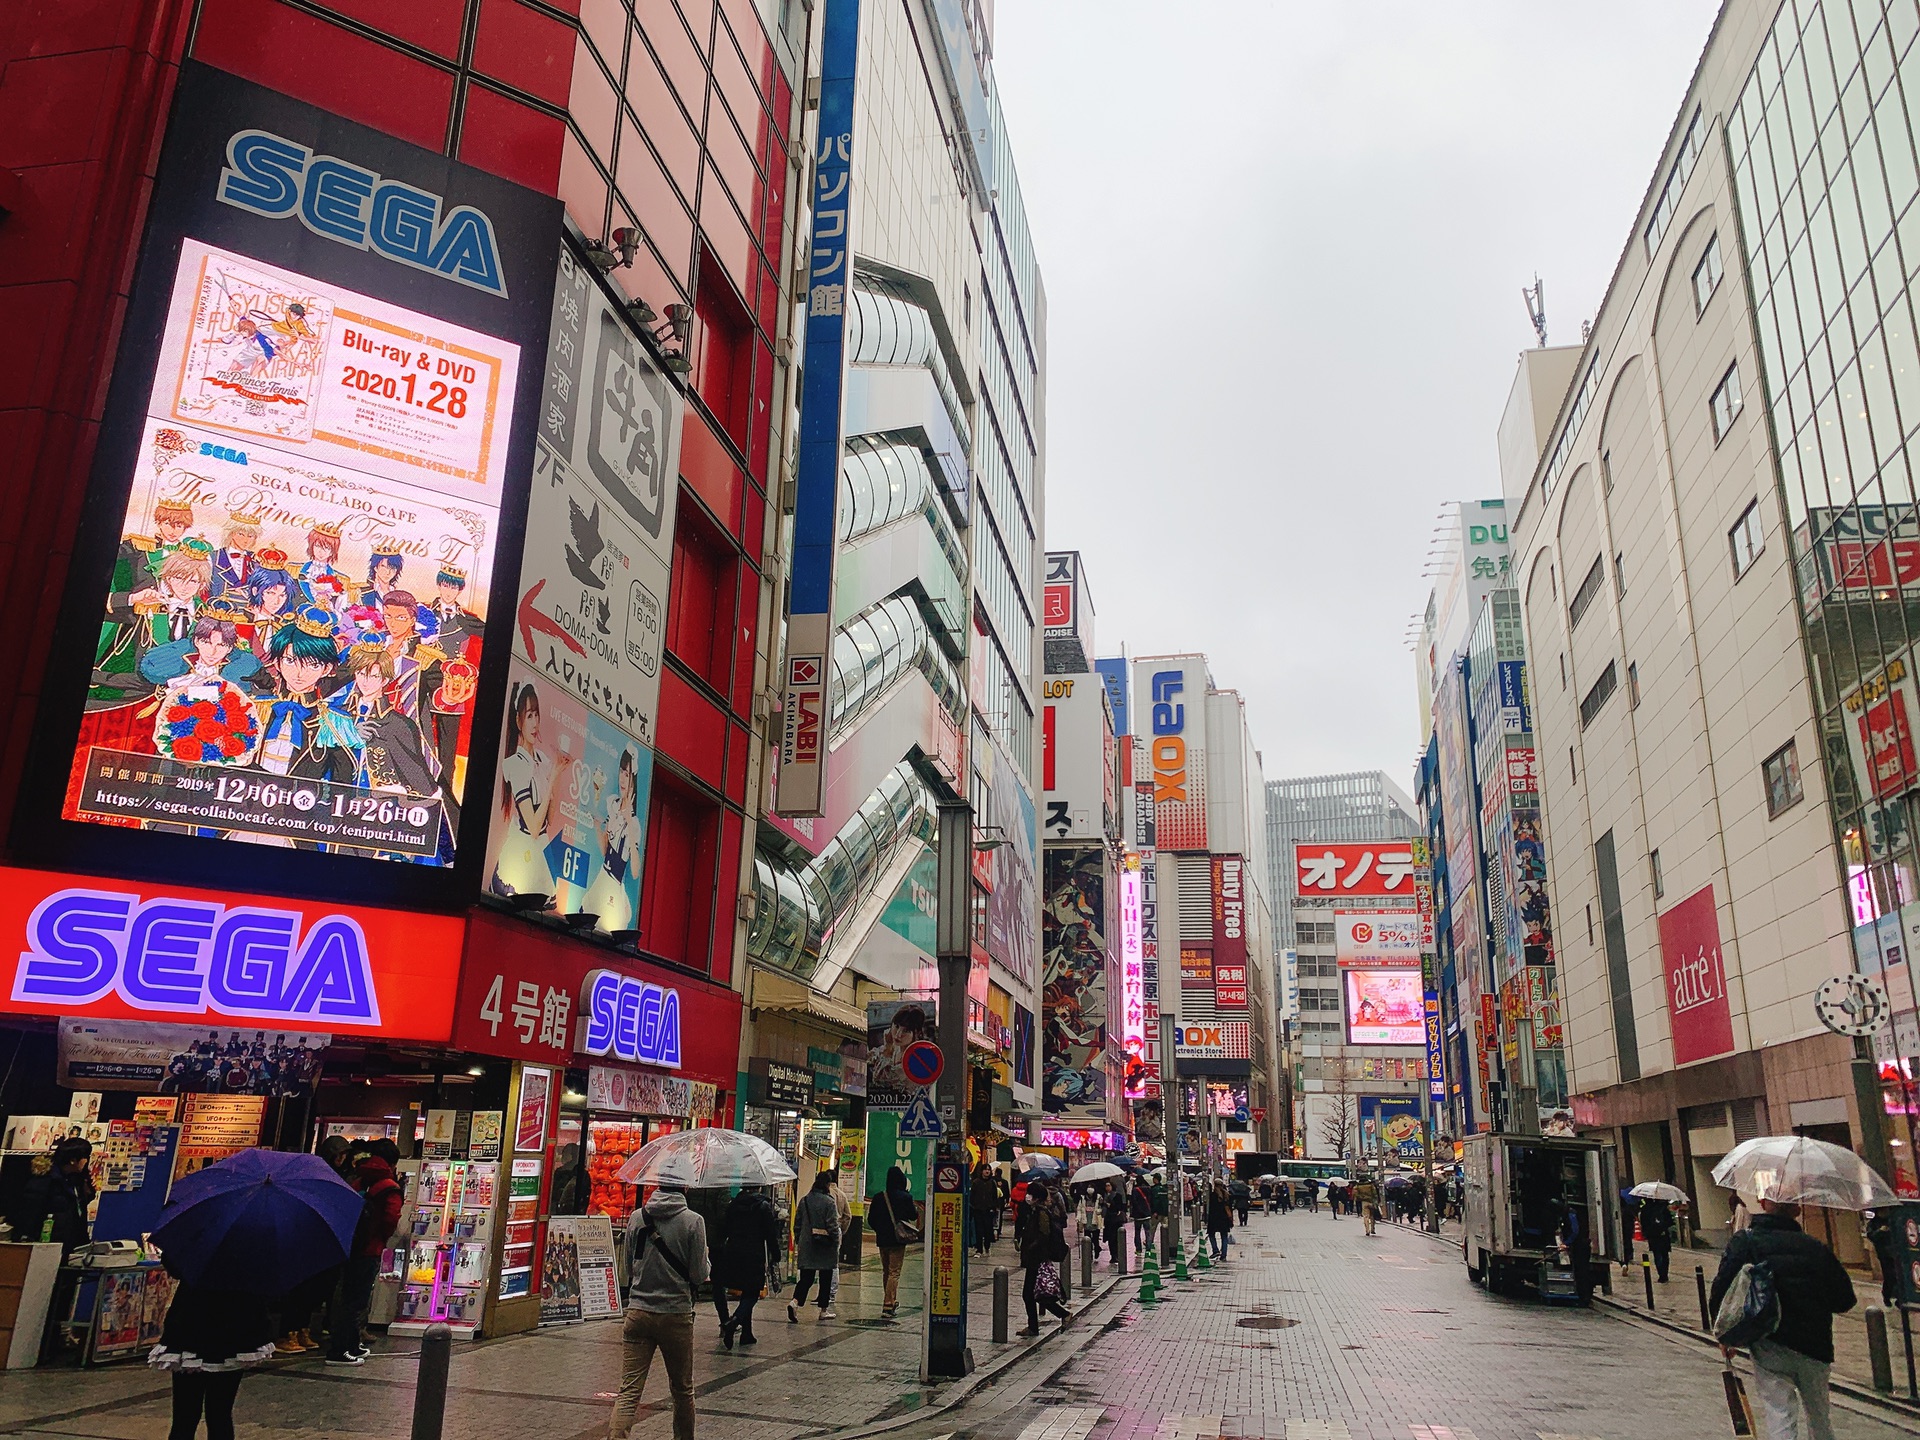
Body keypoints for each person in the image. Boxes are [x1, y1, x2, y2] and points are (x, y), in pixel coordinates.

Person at [1710, 1197, 1856, 1440]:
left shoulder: (1746, 1242)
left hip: (1769, 1339)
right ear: (1796, 1211)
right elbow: (1845, 1300)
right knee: (1819, 1414)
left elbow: (1722, 1285)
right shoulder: (1815, 1248)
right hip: (1814, 1344)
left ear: (1764, 1204)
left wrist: (1725, 1334)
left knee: (1779, 1412)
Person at [611, 1184, 709, 1440]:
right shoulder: (693, 1222)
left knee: (629, 1391)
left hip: (638, 1312)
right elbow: (699, 1274)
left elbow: (629, 1268)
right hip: (675, 1315)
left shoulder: (637, 1217)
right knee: (682, 1390)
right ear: (685, 1187)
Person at [149, 1267, 274, 1440]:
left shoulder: (196, 1244)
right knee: (220, 1413)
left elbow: (175, 1266)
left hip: (192, 1326)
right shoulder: (250, 1247)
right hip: (236, 1328)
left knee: (185, 1415)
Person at [326, 1147, 403, 1365]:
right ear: (392, 1163)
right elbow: (391, 1218)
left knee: (347, 1297)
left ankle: (349, 1344)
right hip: (370, 1248)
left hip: (351, 1245)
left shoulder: (359, 1180)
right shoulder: (389, 1186)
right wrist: (381, 1238)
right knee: (356, 1300)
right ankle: (341, 1350)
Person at [713, 1184, 780, 1349]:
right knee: (752, 1293)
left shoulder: (733, 1205)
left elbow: (724, 1229)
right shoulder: (763, 1206)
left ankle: (747, 1334)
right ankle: (734, 1321)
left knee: (746, 1289)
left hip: (733, 1253)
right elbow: (770, 1234)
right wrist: (775, 1254)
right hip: (754, 1254)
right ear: (758, 1186)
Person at [1018, 1180, 1072, 1335]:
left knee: (1031, 1294)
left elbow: (1044, 1234)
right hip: (1035, 1259)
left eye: (1030, 1194)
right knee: (1034, 1294)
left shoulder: (1042, 1213)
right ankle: (1035, 1326)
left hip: (1037, 1259)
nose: (1027, 1197)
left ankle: (1061, 1315)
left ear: (1036, 1197)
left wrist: (1031, 1247)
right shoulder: (1036, 1211)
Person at [867, 1166, 919, 1318]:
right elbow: (913, 1215)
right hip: (898, 1239)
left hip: (882, 1239)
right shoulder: (905, 1197)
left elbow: (871, 1220)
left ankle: (889, 1300)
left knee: (886, 1271)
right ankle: (888, 1304)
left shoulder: (878, 1197)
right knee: (894, 1272)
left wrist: (880, 1230)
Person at [791, 1172, 842, 1321]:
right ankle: (823, 1310)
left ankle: (794, 1302)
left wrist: (799, 1240)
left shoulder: (805, 1200)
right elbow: (832, 1225)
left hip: (807, 1244)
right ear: (827, 1185)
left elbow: (797, 1223)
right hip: (825, 1245)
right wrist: (836, 1240)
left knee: (806, 1278)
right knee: (825, 1277)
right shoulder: (829, 1202)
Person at [1560, 1197, 1593, 1305]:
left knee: (1582, 1272)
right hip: (1580, 1245)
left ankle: (1584, 1298)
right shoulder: (1569, 1213)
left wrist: (1567, 1243)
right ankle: (1583, 1296)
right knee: (1581, 1271)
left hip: (1581, 1246)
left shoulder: (1571, 1214)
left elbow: (1575, 1231)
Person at [1640, 1196, 1677, 1284]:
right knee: (1665, 1255)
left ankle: (1661, 1274)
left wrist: (1646, 1233)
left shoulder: (1645, 1209)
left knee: (1657, 1254)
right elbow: (1670, 1221)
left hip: (1652, 1235)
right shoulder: (1663, 1208)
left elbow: (1643, 1223)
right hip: (1663, 1235)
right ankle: (1665, 1273)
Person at [970, 1163, 999, 1256]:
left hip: (988, 1210)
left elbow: (995, 1196)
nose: (987, 1171)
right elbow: (972, 1196)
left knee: (988, 1230)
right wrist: (974, 1206)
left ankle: (987, 1247)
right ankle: (979, 1249)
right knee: (978, 1230)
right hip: (978, 1210)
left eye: (988, 1170)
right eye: (985, 1169)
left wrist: (993, 1207)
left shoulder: (992, 1183)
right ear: (981, 1171)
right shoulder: (976, 1182)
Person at [1100, 1181, 1128, 1269]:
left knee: (1116, 1238)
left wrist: (1110, 1205)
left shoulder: (1117, 1195)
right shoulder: (1103, 1196)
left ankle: (1117, 1255)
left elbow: (1119, 1207)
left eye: (1109, 1185)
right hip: (1108, 1220)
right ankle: (1113, 1255)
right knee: (1110, 1239)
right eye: (1106, 1186)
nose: (1107, 1187)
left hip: (1116, 1220)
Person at [1205, 1180, 1233, 1259]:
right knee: (1224, 1236)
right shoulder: (1227, 1195)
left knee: (1211, 1234)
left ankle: (1215, 1250)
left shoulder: (1213, 1195)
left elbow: (1211, 1209)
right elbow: (1230, 1209)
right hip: (1224, 1219)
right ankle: (1224, 1254)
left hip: (1214, 1219)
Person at [1129, 1175, 1153, 1254]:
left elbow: (1134, 1202)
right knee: (1148, 1232)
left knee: (1137, 1232)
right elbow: (1150, 1200)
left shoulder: (1135, 1190)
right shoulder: (1149, 1189)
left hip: (1138, 1215)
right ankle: (1149, 1248)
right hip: (1147, 1214)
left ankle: (1138, 1249)